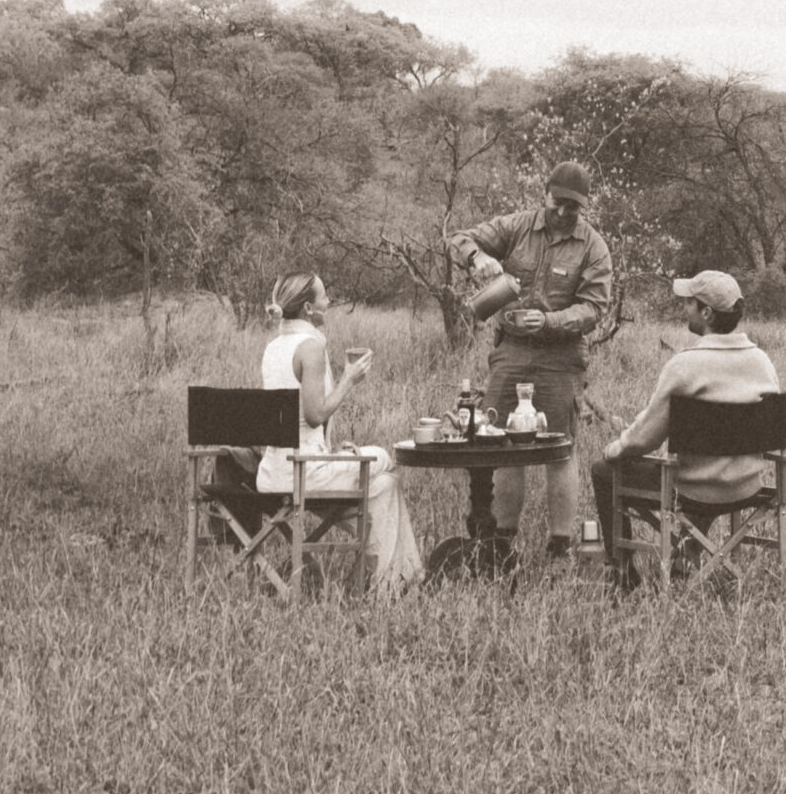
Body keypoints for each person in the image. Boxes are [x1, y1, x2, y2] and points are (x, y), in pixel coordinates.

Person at [450, 161, 613, 565]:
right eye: (558, 202)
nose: (562, 213)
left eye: (572, 207)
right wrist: (477, 260)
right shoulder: (517, 226)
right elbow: (458, 239)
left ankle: (560, 546)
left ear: (583, 207)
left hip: (562, 357)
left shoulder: (593, 246)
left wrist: (551, 321)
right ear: (545, 194)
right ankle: (503, 542)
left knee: (560, 447)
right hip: (511, 351)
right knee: (503, 443)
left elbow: (594, 308)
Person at [592, 270, 781, 577]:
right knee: (706, 461)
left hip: (696, 489)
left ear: (706, 312)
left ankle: (623, 572)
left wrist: (617, 447)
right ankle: (686, 554)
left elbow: (645, 439)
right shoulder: (762, 360)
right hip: (747, 485)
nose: (685, 309)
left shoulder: (685, 364)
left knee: (603, 470)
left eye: (690, 303)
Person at [253, 272, 422, 595]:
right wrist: (349, 379)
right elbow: (314, 415)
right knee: (386, 459)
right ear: (308, 308)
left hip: (273, 472)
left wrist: (331, 449)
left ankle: (399, 583)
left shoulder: (274, 346)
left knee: (385, 486)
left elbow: (296, 424)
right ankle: (394, 585)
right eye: (324, 297)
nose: (328, 302)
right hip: (303, 473)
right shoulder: (310, 347)